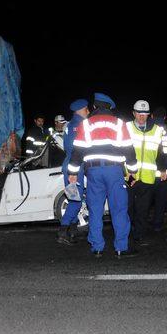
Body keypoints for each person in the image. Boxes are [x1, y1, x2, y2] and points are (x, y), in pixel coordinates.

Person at [67, 92, 139, 258]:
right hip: (114, 171)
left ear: (94, 107)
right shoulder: (119, 123)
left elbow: (77, 151)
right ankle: (121, 247)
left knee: (95, 209)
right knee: (119, 209)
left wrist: (72, 172)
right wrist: (133, 172)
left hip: (93, 172)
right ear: (110, 108)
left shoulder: (86, 125)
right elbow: (129, 150)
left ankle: (97, 247)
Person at [126, 100, 167, 244]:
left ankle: (139, 234)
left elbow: (163, 151)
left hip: (148, 176)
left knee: (143, 208)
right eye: (139, 113)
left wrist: (163, 168)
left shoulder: (158, 130)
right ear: (133, 113)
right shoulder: (126, 128)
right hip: (129, 175)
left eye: (144, 114)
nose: (141, 117)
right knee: (128, 207)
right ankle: (128, 231)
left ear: (149, 115)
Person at [57, 99, 89, 245]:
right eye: (86, 109)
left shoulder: (70, 124)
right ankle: (62, 231)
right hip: (75, 168)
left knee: (73, 198)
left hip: (69, 165)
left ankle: (72, 231)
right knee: (76, 200)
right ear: (80, 110)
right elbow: (77, 149)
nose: (88, 111)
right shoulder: (79, 125)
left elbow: (66, 147)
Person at [151, 106, 167, 232]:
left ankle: (140, 225)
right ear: (165, 117)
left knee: (145, 200)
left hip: (149, 172)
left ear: (152, 116)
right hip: (166, 173)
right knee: (161, 200)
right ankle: (158, 224)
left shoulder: (148, 129)